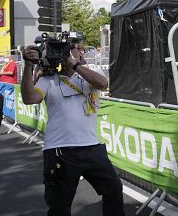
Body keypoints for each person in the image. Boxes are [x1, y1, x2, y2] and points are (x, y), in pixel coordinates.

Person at [20, 39, 125, 216]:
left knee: (113, 189)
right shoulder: (47, 80)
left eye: (69, 49)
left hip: (92, 147)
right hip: (59, 150)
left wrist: (73, 65)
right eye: (59, 50)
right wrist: (28, 66)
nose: (64, 54)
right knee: (59, 205)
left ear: (79, 52)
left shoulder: (91, 73)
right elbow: (30, 98)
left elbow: (103, 84)